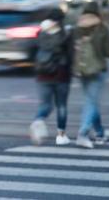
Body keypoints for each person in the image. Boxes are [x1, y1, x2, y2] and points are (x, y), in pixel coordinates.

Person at [73, 1, 109, 149]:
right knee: (91, 102)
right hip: (97, 70)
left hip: (81, 70)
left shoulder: (77, 27)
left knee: (90, 101)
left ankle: (100, 133)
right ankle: (83, 132)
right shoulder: (102, 28)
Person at [29, 8, 72, 146]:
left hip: (43, 74)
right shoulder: (64, 33)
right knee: (61, 106)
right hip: (61, 74)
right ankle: (61, 136)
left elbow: (34, 52)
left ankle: (38, 121)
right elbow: (70, 54)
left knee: (45, 104)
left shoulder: (40, 33)